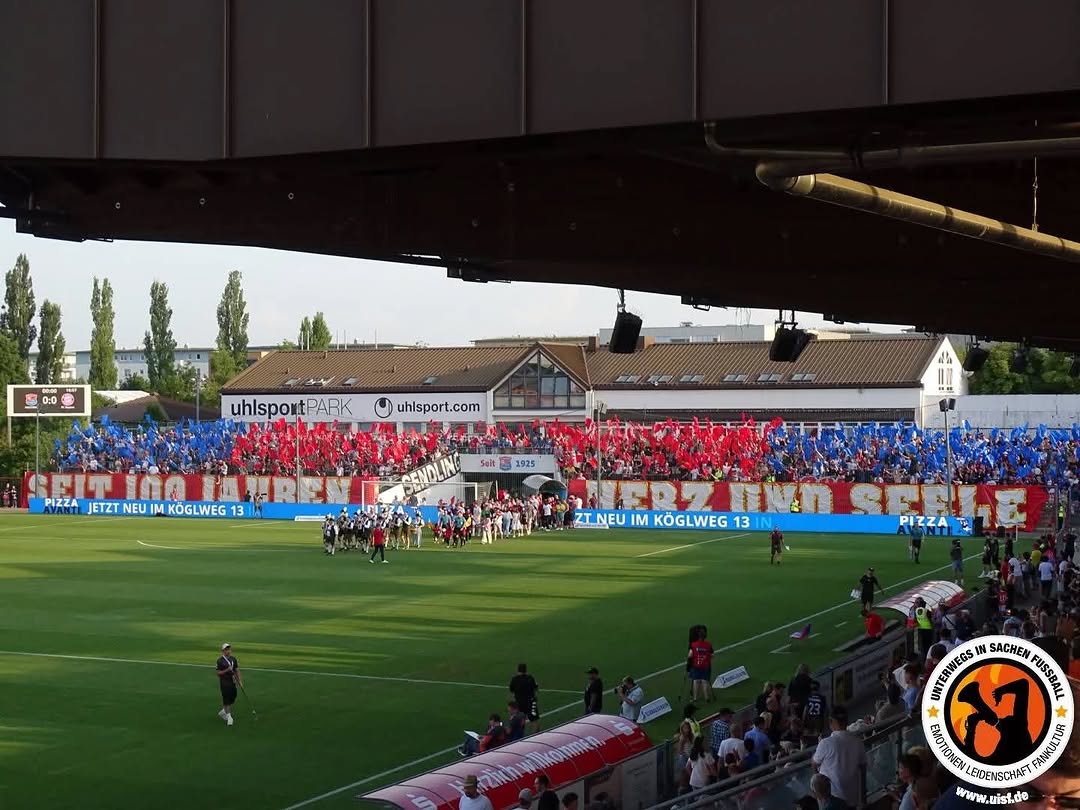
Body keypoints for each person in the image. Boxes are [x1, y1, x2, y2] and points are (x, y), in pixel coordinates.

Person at [811, 707, 867, 808]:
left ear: (831, 722)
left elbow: (814, 763)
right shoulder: (857, 742)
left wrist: (819, 789)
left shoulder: (825, 743)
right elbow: (863, 768)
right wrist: (863, 796)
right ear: (846, 721)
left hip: (832, 801)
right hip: (853, 798)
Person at [215, 642, 242, 727]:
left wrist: (239, 681)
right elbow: (218, 673)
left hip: (232, 681)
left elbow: (237, 670)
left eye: (229, 649)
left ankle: (224, 711)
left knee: (233, 696)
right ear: (223, 651)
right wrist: (227, 670)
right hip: (224, 682)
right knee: (226, 698)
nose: (228, 651)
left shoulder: (233, 659)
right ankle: (229, 717)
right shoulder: (220, 660)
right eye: (226, 649)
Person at [510, 663, 540, 732]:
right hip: (531, 702)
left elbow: (511, 691)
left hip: (519, 703)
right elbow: (536, 688)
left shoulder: (514, 679)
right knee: (534, 720)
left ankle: (520, 738)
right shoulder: (530, 678)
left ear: (518, 670)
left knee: (520, 721)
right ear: (526, 670)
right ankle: (537, 736)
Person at [687, 627, 714, 703]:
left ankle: (695, 698)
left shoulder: (693, 644)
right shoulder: (708, 644)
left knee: (696, 681)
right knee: (705, 681)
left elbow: (690, 655)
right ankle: (707, 697)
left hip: (696, 666)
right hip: (705, 666)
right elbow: (711, 655)